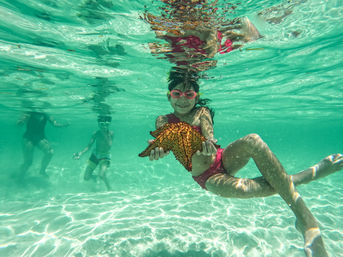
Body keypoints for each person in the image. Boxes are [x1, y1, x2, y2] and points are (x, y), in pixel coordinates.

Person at [144, 70, 343, 257]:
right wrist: (159, 150)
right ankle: (305, 176)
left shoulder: (201, 112)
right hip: (208, 177)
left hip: (224, 157)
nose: (182, 99)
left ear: (196, 96)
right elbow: (165, 141)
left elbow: (209, 135)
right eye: (177, 93)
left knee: (253, 140)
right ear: (169, 96)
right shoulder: (163, 120)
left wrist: (209, 143)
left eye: (189, 94)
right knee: (250, 189)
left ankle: (306, 220)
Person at [17, 110, 68, 178]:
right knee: (28, 162)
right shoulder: (29, 112)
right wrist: (21, 120)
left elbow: (55, 124)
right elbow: (19, 123)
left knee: (50, 152)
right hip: (28, 138)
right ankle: (20, 175)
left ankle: (42, 170)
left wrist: (63, 125)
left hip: (40, 138)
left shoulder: (46, 114)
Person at [73, 115, 113, 191]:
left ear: (109, 124)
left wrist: (105, 134)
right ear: (98, 124)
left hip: (105, 155)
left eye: (106, 125)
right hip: (95, 154)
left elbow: (109, 145)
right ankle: (98, 180)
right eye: (102, 124)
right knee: (86, 177)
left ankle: (109, 188)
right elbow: (89, 146)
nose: (104, 127)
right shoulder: (95, 133)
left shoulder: (111, 133)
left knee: (101, 175)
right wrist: (80, 153)